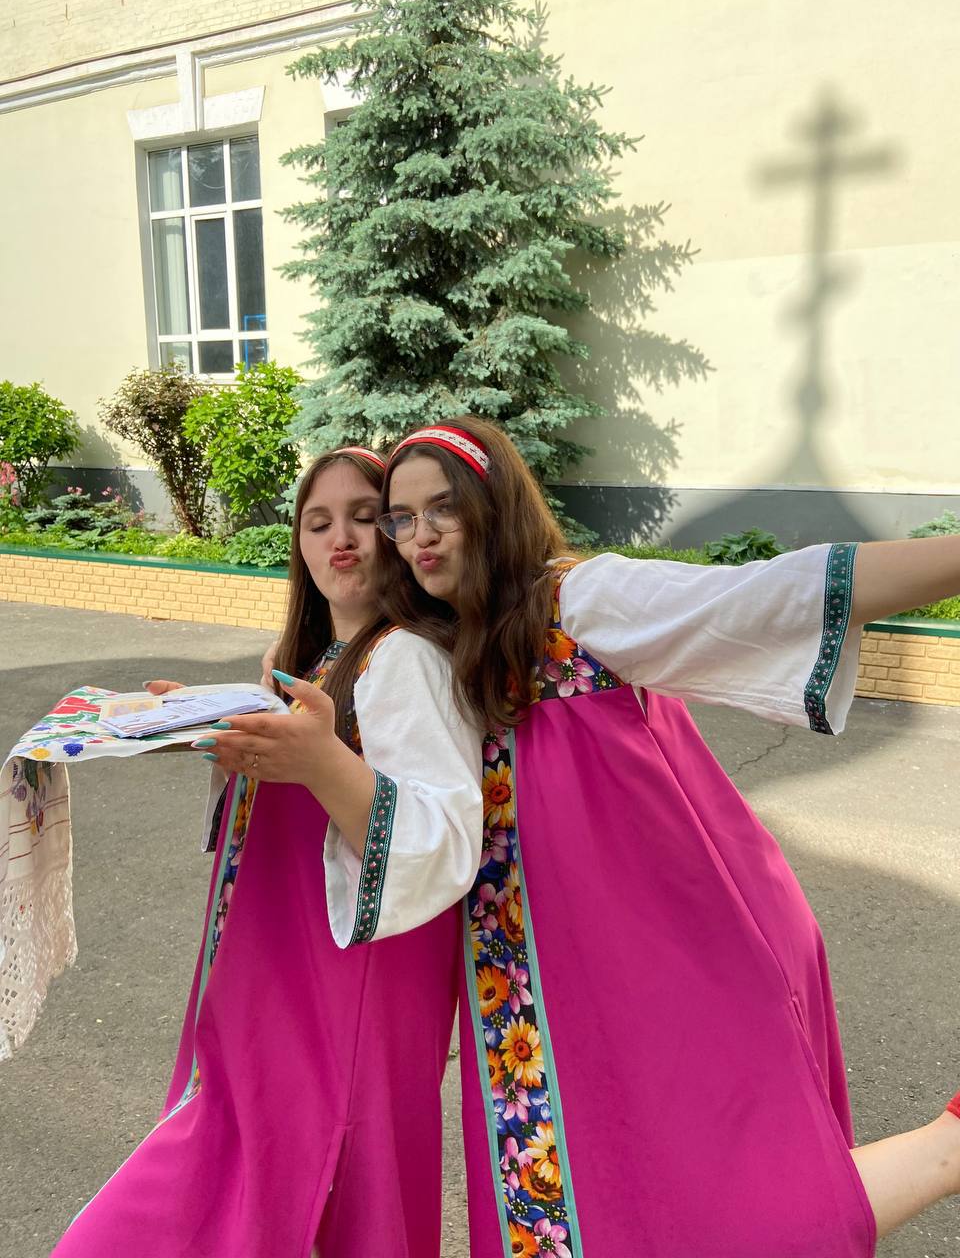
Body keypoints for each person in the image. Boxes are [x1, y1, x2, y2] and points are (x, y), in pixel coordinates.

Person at [370, 416, 960, 1257]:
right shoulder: (441, 644)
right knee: (583, 1205)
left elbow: (765, 595)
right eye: (402, 518)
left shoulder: (579, 602)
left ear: (492, 507)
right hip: (542, 985)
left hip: (675, 960)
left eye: (443, 509)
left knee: (745, 1204)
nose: (420, 536)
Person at [51, 446, 483, 1258]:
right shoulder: (306, 666)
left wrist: (318, 760)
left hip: (344, 997)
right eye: (317, 524)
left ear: (398, 535)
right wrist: (210, 729)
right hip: (275, 981)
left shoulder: (406, 659)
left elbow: (442, 841)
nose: (340, 539)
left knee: (293, 1190)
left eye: (365, 517)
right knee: (266, 1183)